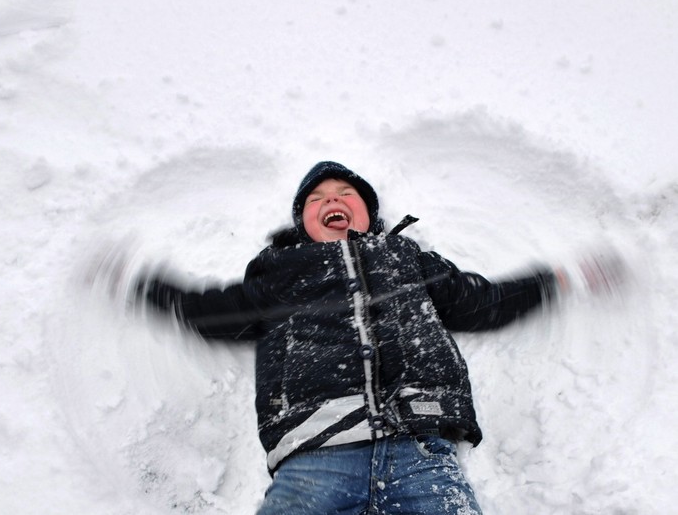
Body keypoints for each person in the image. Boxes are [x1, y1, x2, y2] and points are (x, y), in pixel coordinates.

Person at [88, 161, 625, 515]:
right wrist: (140, 286)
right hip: (316, 451)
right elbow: (207, 312)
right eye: (318, 198)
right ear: (304, 221)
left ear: (368, 214)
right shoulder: (282, 272)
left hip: (420, 443)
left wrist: (557, 281)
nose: (332, 199)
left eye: (346, 193)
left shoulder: (408, 260)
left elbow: (481, 302)